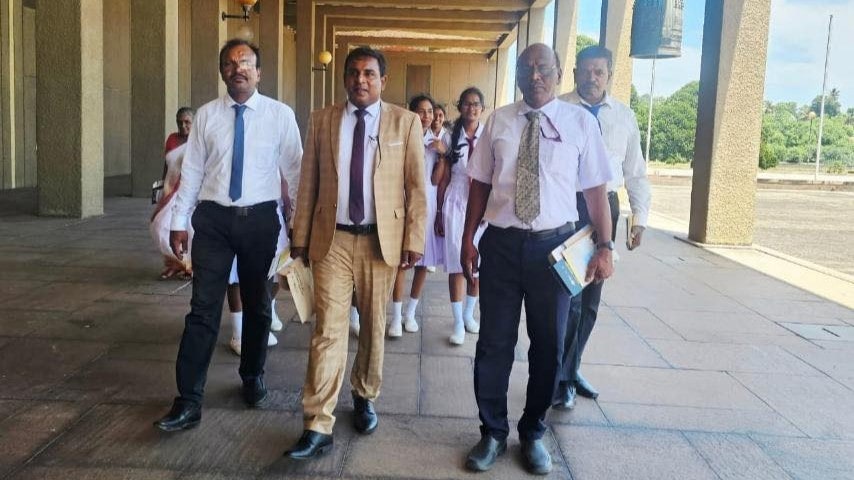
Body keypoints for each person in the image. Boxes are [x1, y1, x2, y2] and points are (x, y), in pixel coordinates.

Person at [460, 44, 615, 475]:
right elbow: (479, 184)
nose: (535, 76)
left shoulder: (581, 123)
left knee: (549, 344)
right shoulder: (499, 121)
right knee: (494, 342)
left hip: (554, 250)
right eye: (526, 68)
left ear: (559, 72)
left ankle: (532, 432)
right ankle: (492, 431)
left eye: (543, 67)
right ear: (517, 75)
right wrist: (468, 239)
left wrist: (605, 246)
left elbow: (596, 192)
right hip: (501, 246)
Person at [285, 46, 427, 460]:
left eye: (368, 73)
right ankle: (317, 422)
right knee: (328, 330)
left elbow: (417, 188)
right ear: (344, 78)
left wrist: (414, 239)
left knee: (372, 325)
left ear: (383, 80)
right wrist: (299, 236)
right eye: (353, 73)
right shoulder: (322, 120)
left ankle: (364, 394)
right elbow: (308, 182)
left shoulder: (405, 122)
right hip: (332, 240)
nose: (360, 80)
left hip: (382, 242)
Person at [153, 38, 302, 432]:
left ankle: (252, 377)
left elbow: (296, 172)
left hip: (260, 222)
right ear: (222, 72)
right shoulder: (206, 115)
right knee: (203, 309)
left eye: (246, 62)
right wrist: (179, 221)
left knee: (258, 305)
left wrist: (299, 223)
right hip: (214, 221)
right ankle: (188, 400)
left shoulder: (280, 115)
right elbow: (192, 172)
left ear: (259, 72)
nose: (238, 69)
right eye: (230, 64)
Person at [553, 45, 651, 408]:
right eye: (586, 71)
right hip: (568, 206)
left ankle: (572, 367)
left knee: (591, 300)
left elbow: (635, 171)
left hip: (605, 207)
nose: (592, 78)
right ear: (575, 73)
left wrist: (639, 218)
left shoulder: (623, 116)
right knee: (570, 296)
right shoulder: (559, 109)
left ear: (609, 74)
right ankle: (560, 378)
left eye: (599, 72)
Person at [388, 94, 446, 337]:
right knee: (402, 262)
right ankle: (396, 316)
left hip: (427, 203)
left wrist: (442, 155)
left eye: (430, 111)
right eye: (421, 111)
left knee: (424, 260)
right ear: (411, 113)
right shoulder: (401, 137)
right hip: (402, 201)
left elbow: (435, 180)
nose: (426, 116)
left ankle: (410, 312)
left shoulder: (437, 141)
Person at [434, 87, 487, 345]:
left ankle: (469, 314)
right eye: (466, 103)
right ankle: (457, 322)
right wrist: (438, 211)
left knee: (478, 263)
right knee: (457, 263)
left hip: (483, 203)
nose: (471, 108)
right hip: (456, 200)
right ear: (460, 107)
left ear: (482, 108)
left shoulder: (489, 135)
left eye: (476, 104)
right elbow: (443, 178)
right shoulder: (449, 137)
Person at [151, 107, 195, 279]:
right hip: (171, 190)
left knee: (189, 228)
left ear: (194, 122)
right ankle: (176, 263)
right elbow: (167, 162)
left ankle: (189, 266)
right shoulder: (171, 139)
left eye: (187, 122)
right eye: (179, 122)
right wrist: (163, 184)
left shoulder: (198, 141)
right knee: (158, 226)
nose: (183, 125)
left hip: (190, 191)